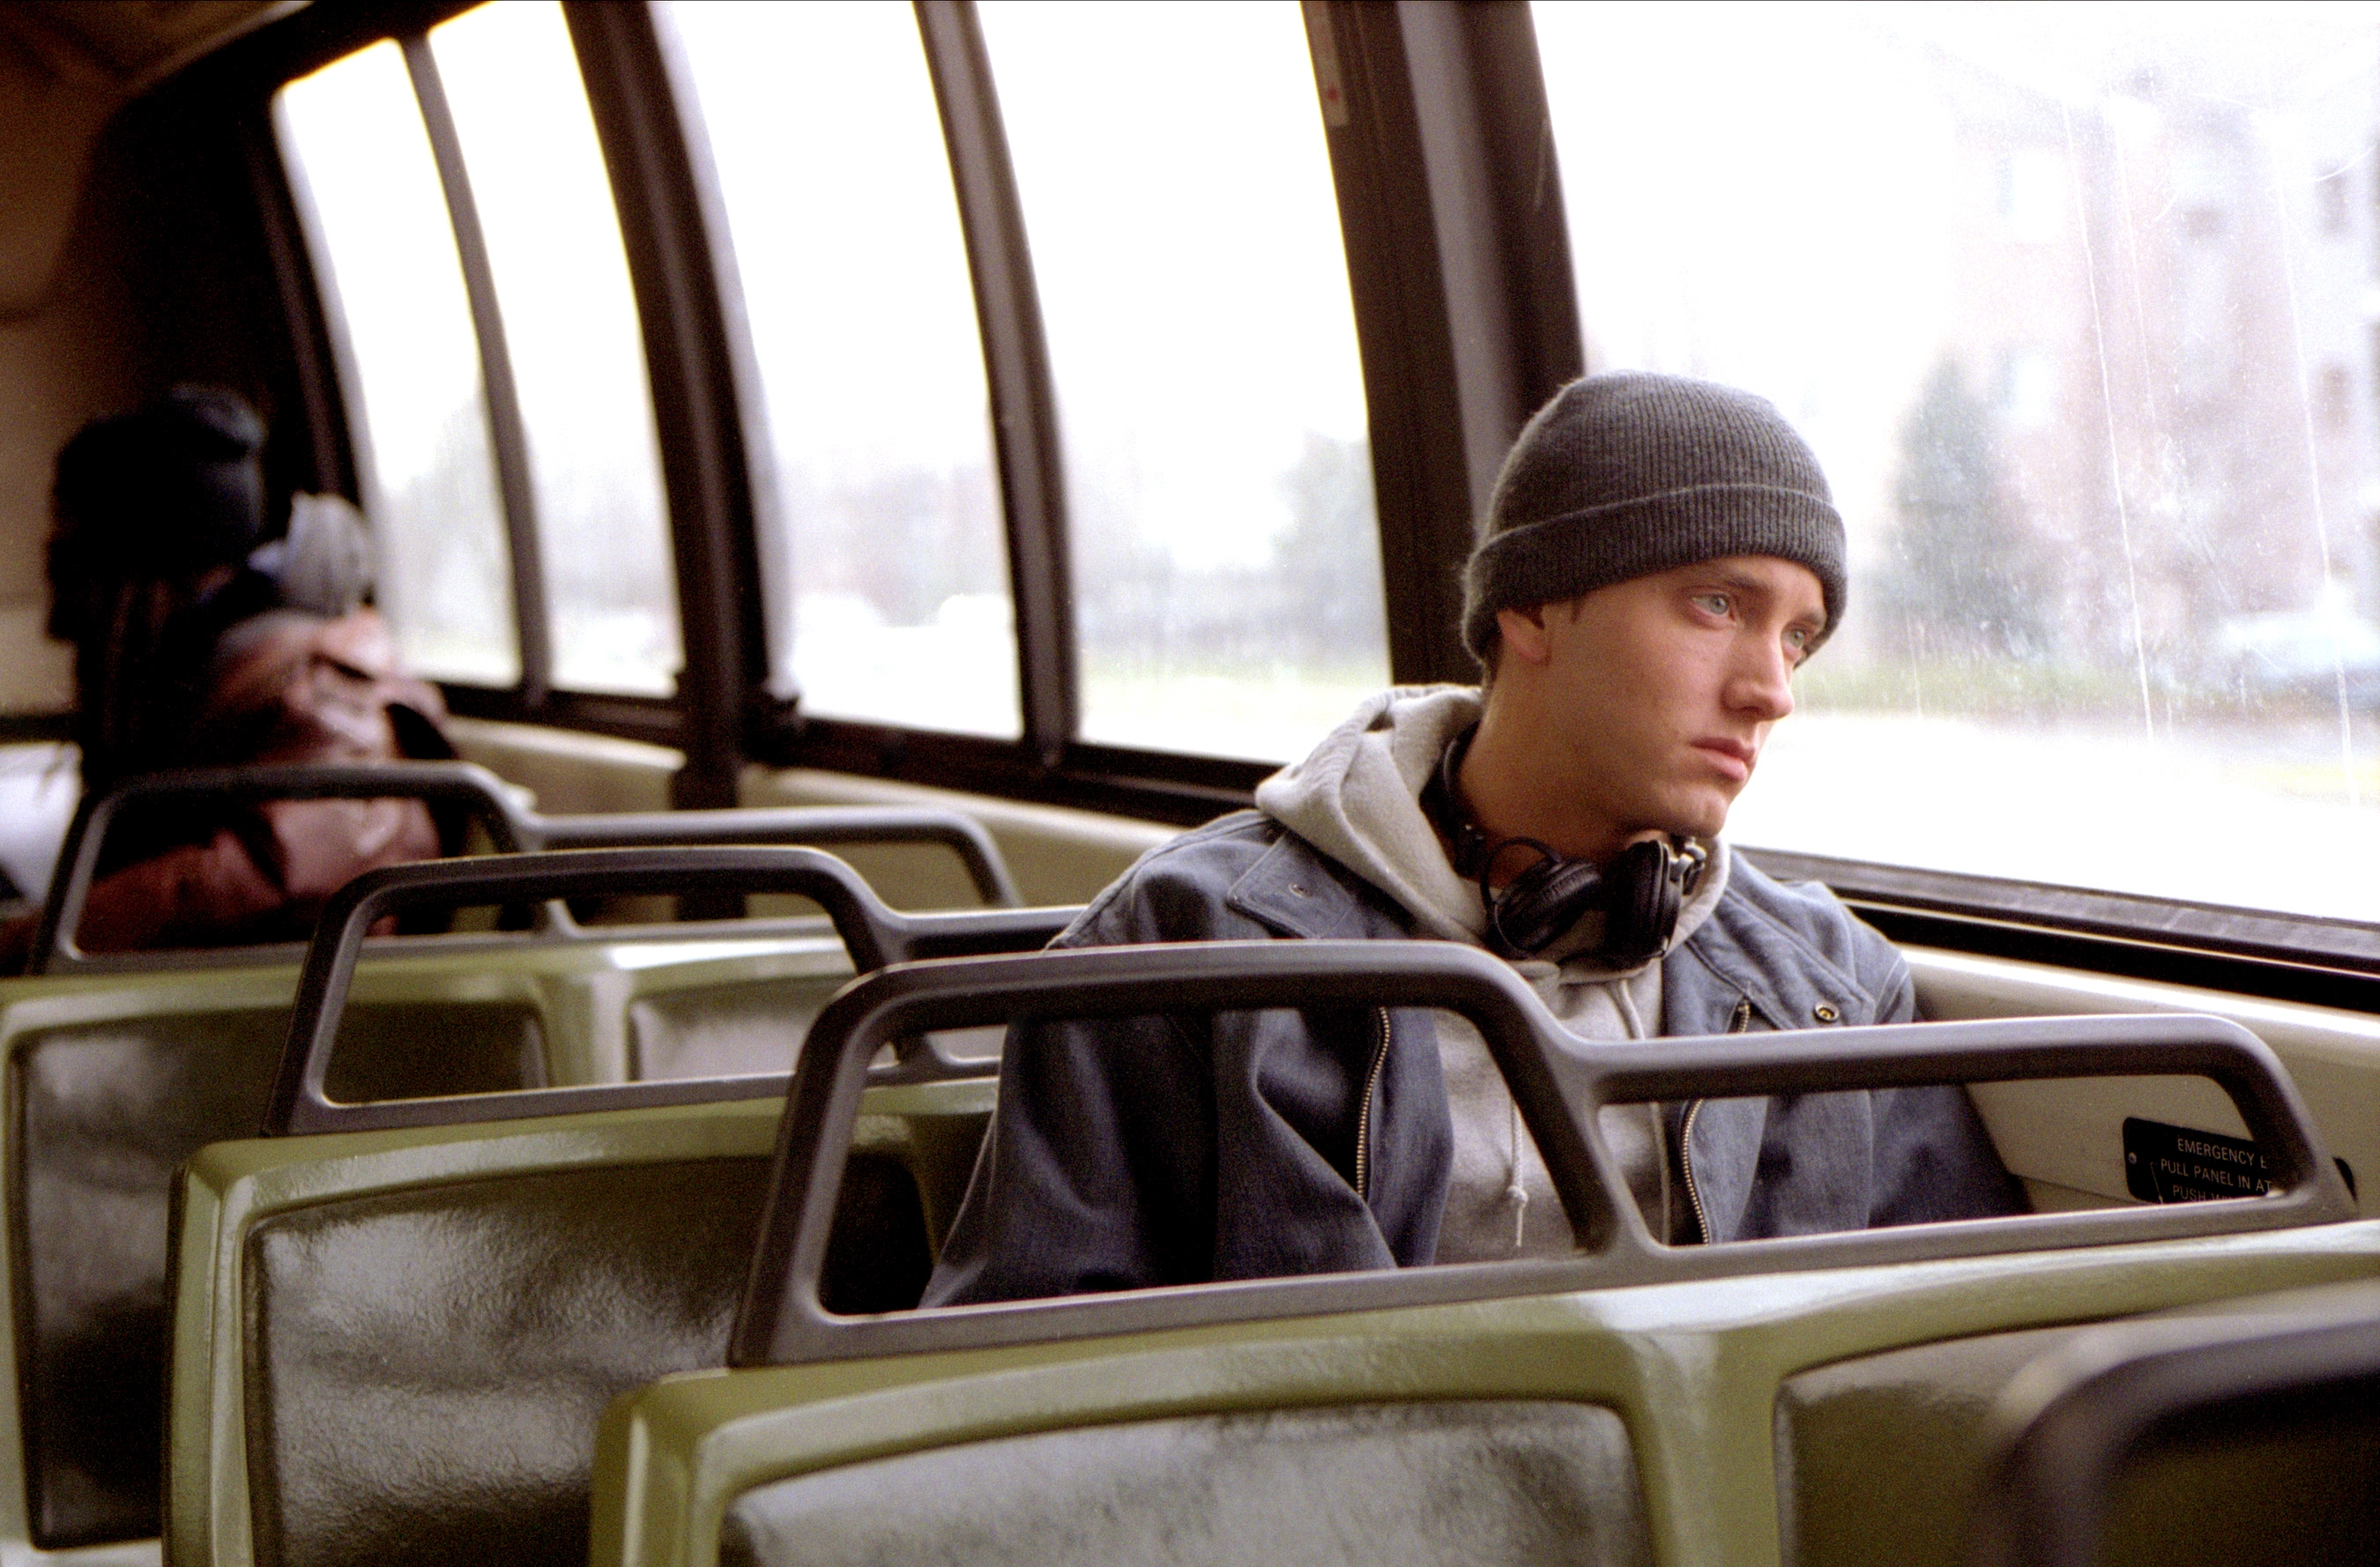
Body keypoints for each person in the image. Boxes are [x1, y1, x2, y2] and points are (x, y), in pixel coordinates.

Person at [926, 372, 2024, 1304]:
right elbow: (1028, 1404)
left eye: (1799, 637)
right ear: (1534, 609)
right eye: (1717, 604)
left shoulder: (1831, 990)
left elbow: (1933, 1374)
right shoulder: (1186, 946)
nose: (1771, 690)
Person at [0, 386, 457, 969]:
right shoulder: (200, 676)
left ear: (152, 573)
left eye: (80, 568)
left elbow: (277, 877)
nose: (63, 620)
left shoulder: (325, 697)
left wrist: (26, 944)